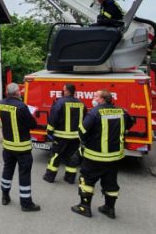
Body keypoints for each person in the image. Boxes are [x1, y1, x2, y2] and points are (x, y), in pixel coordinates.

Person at [72, 89, 134, 219]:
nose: (93, 98)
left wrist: (85, 142)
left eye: (95, 96)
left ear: (102, 99)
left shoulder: (94, 112)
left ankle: (84, 207)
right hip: (114, 157)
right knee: (110, 183)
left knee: (87, 179)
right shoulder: (121, 111)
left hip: (94, 156)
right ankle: (109, 209)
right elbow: (131, 122)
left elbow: (82, 131)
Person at [0, 83, 40, 211]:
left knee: (7, 171)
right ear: (16, 93)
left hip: (8, 146)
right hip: (22, 148)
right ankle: (26, 203)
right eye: (19, 91)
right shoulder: (21, 107)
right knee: (24, 174)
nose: (21, 92)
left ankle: (5, 196)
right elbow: (32, 124)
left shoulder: (1, 104)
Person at [43, 84, 85, 184]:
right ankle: (70, 178)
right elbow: (84, 119)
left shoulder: (60, 102)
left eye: (63, 89)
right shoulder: (81, 103)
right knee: (71, 157)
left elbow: (53, 118)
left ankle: (49, 177)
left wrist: (49, 131)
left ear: (66, 91)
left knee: (55, 156)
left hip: (60, 136)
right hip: (75, 137)